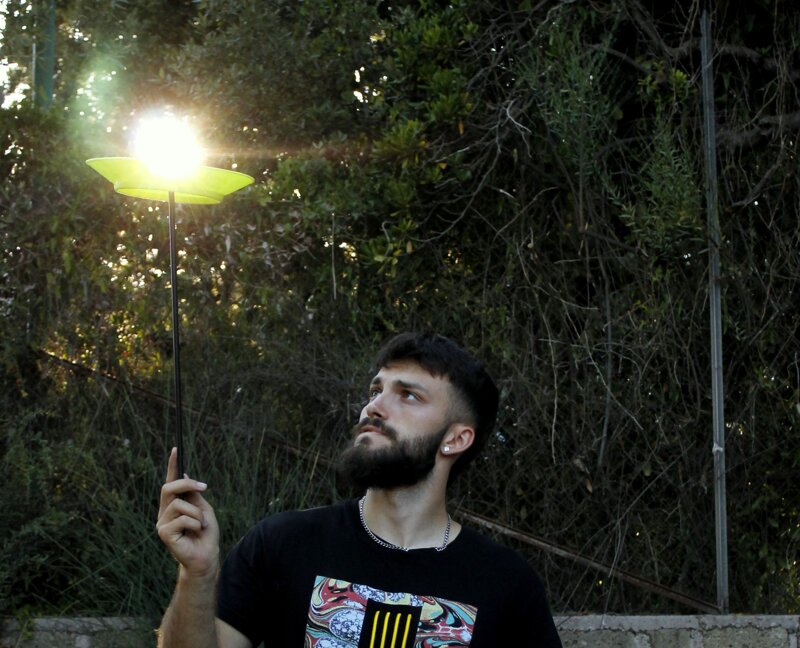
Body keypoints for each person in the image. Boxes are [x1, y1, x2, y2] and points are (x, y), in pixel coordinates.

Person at [157, 332, 562, 647]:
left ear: (456, 439)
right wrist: (197, 574)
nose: (374, 407)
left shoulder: (506, 583)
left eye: (408, 395)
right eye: (375, 391)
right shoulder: (282, 544)